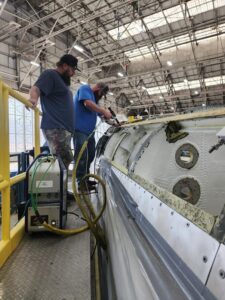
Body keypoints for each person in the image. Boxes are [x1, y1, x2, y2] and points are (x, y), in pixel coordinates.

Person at [28, 54, 79, 169]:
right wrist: (33, 98)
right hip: (56, 127)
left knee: (63, 161)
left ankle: (60, 186)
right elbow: (36, 88)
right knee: (62, 161)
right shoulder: (50, 74)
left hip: (62, 129)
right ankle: (57, 186)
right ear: (65, 65)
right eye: (73, 69)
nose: (73, 73)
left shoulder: (61, 82)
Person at [73, 82, 112, 190]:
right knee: (81, 156)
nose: (100, 96)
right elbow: (87, 104)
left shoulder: (94, 102)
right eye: (101, 93)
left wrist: (114, 122)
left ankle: (85, 178)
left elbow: (103, 116)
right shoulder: (85, 89)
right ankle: (80, 182)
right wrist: (103, 110)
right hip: (79, 130)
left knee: (90, 154)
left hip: (89, 133)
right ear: (98, 88)